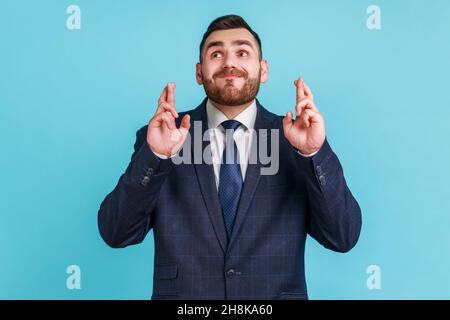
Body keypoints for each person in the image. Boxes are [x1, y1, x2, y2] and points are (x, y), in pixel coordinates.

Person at [98, 14, 362, 300]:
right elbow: (117, 232)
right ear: (199, 73)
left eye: (242, 52)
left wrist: (313, 153)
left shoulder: (295, 140)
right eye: (216, 53)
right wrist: (155, 156)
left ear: (263, 70)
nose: (229, 63)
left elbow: (343, 236)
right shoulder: (164, 138)